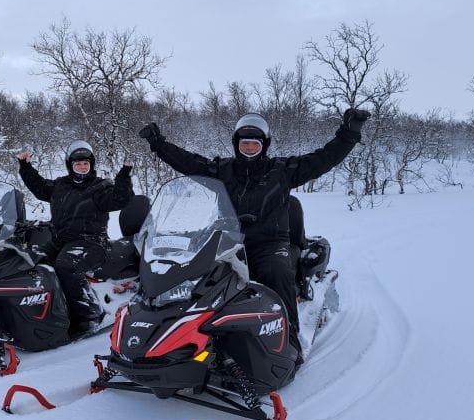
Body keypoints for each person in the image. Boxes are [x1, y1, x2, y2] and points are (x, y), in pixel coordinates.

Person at [139, 109, 371, 359]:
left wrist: (349, 133)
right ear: (237, 145)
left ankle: (289, 341)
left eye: (255, 144)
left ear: (265, 145)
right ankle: (183, 334)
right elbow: (189, 163)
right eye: (245, 143)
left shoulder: (283, 170)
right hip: (228, 241)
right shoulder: (222, 169)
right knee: (197, 276)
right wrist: (159, 144)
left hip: (270, 243)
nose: (249, 148)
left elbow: (323, 159)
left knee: (276, 272)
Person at [17, 141, 135, 336]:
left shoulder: (100, 187)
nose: (82, 167)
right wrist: (25, 166)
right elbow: (39, 187)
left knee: (66, 265)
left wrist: (124, 175)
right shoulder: (61, 185)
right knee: (31, 261)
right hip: (61, 240)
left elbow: (119, 199)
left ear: (91, 165)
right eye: (78, 163)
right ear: (70, 165)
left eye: (85, 163)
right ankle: (41, 312)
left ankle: (88, 316)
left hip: (92, 242)